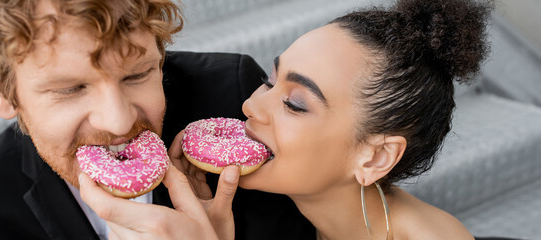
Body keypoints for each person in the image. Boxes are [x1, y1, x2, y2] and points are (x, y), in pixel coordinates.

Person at [81, 0, 494, 239]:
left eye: (295, 103)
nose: (250, 106)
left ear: (374, 158)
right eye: (268, 81)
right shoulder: (285, 217)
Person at [0, 0, 315, 239]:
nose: (119, 122)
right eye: (71, 88)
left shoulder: (232, 96)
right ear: (0, 92)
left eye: (137, 75)